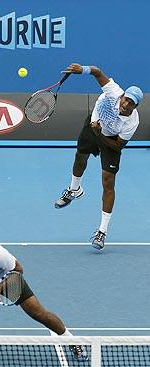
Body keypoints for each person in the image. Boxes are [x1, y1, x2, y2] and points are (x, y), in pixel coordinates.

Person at [0, 220, 87, 360]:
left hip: (7, 279)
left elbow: (18, 270)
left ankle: (73, 341)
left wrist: (0, 288)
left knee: (38, 313)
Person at [55, 63, 143, 250]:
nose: (126, 104)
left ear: (136, 107)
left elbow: (118, 147)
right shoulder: (113, 92)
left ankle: (102, 232)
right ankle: (74, 189)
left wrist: (100, 134)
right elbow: (97, 72)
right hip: (94, 126)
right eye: (126, 99)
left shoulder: (132, 122)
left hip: (110, 138)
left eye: (131, 104)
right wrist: (82, 69)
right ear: (122, 95)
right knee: (80, 156)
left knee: (108, 182)